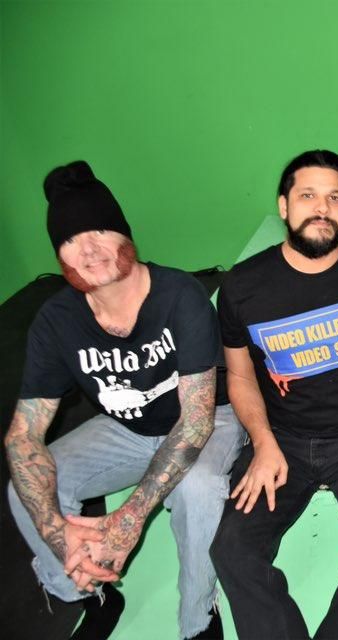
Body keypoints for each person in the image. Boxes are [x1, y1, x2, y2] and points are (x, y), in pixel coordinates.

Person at [5, 160, 244, 640]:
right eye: (71, 240)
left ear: (125, 235)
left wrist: (130, 519)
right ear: (59, 255)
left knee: (196, 490)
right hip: (128, 427)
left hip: (206, 417)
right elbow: (22, 435)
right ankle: (85, 591)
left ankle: (198, 618)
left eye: (99, 231)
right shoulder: (56, 320)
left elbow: (195, 423)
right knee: (26, 485)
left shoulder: (180, 296)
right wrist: (58, 532)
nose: (89, 249)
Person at [210, 149, 338, 640]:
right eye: (307, 196)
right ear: (284, 206)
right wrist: (262, 442)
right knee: (232, 549)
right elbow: (240, 377)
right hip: (281, 439)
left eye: (334, 198)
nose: (322, 208)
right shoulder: (242, 285)